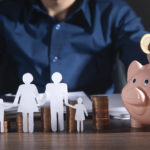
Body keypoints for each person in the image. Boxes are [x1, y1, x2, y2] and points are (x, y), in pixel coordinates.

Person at [0, 0, 148, 95]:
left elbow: (138, 46)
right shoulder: (6, 12)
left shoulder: (112, 10)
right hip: (22, 120)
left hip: (96, 120)